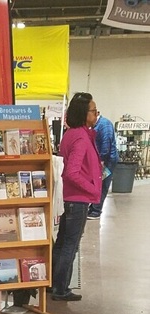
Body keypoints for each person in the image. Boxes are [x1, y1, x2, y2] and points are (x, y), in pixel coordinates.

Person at [52, 92, 101, 302]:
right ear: (83, 113)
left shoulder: (72, 134)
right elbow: (72, 172)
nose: (96, 114)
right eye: (93, 111)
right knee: (69, 246)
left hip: (70, 198)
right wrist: (92, 189)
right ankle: (60, 289)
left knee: (62, 242)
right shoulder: (80, 137)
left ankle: (53, 284)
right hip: (78, 199)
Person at [87, 112, 118, 220]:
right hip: (101, 159)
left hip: (108, 160)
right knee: (97, 184)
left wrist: (101, 160)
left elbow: (106, 144)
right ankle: (93, 208)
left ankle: (96, 211)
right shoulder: (96, 125)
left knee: (102, 185)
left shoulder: (105, 125)